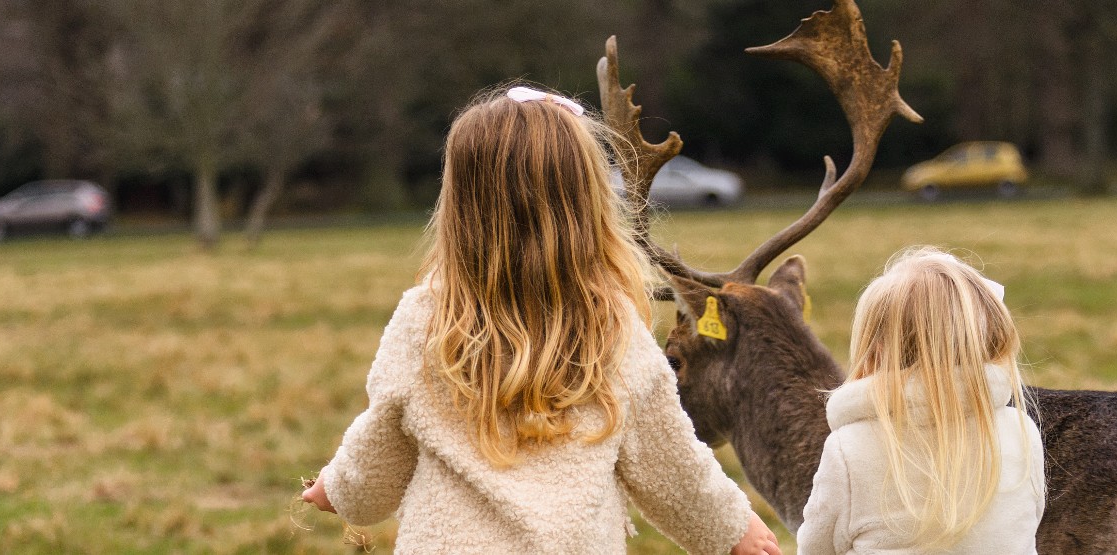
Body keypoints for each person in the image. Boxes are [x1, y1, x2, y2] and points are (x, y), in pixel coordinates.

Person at [300, 85, 780, 555]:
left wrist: (338, 489)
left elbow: (378, 452)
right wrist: (732, 529)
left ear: (459, 207)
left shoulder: (425, 319)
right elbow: (669, 464)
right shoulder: (612, 327)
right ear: (587, 203)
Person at [796, 248, 1046, 554]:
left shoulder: (848, 450)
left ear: (876, 348)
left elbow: (815, 548)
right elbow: (1027, 526)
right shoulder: (1021, 432)